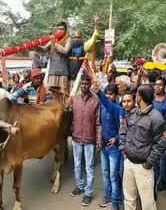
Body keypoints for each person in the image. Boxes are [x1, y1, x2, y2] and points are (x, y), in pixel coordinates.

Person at [119, 84, 166, 210]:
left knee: (147, 204)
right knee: (129, 199)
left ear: (139, 97)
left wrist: (149, 163)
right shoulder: (132, 113)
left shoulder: (156, 118)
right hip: (128, 162)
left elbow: (161, 144)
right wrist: (124, 152)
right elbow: (124, 131)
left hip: (144, 168)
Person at [65, 74, 102, 207]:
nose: (84, 86)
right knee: (77, 165)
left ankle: (88, 193)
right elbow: (67, 115)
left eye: (86, 84)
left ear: (90, 85)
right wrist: (66, 106)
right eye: (82, 84)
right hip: (76, 138)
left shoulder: (96, 101)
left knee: (89, 168)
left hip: (89, 139)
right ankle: (80, 186)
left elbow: (98, 123)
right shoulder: (75, 100)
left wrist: (98, 140)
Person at [92, 82, 124, 210]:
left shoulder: (118, 109)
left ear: (116, 96)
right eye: (106, 93)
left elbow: (123, 130)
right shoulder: (102, 107)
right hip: (104, 146)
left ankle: (115, 203)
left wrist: (116, 139)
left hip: (114, 148)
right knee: (105, 173)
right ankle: (108, 196)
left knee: (113, 176)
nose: (108, 96)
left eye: (111, 94)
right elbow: (99, 125)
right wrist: (99, 140)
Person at [37, 21, 72, 97]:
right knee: (53, 95)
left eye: (62, 29)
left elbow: (65, 51)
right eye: (58, 29)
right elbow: (44, 49)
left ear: (65, 30)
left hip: (63, 72)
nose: (59, 31)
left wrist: (54, 43)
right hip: (53, 71)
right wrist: (37, 47)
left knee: (63, 95)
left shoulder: (68, 40)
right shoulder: (53, 40)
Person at [68, 15, 101, 90]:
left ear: (81, 38)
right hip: (70, 78)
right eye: (75, 37)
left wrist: (96, 25)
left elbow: (93, 38)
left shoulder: (84, 46)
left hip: (80, 78)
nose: (76, 39)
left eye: (78, 37)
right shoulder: (69, 45)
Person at [152, 77, 166, 191]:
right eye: (156, 84)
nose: (157, 87)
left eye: (160, 85)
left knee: (162, 158)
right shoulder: (151, 100)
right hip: (150, 134)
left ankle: (161, 180)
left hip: (161, 135)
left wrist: (165, 136)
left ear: (164, 87)